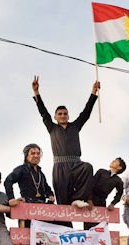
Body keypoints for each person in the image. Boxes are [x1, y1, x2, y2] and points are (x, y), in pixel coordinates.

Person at [31, 76, 99, 207]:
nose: (63, 116)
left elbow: (86, 112)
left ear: (68, 116)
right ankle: (65, 225)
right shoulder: (52, 128)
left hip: (76, 164)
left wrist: (93, 92)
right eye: (60, 114)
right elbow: (43, 112)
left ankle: (78, 198)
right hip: (60, 167)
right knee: (62, 202)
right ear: (56, 117)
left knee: (87, 167)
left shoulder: (75, 126)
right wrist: (36, 92)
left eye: (65, 113)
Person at [84, 157, 127, 229]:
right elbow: (91, 184)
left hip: (102, 203)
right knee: (88, 227)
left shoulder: (118, 181)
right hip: (90, 201)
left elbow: (119, 194)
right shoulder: (101, 171)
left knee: (100, 227)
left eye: (116, 161)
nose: (113, 160)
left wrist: (113, 203)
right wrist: (89, 199)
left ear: (119, 167)